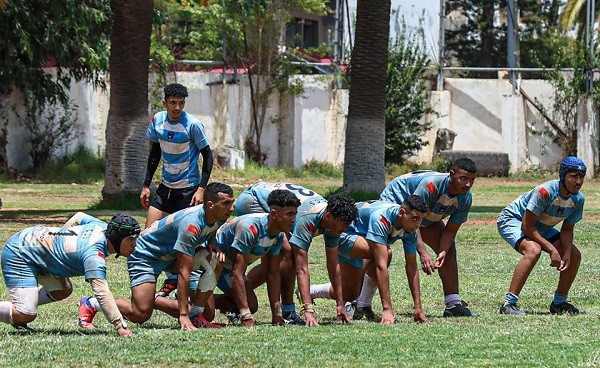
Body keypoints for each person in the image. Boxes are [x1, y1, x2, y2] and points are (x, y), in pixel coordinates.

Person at [78, 182, 234, 331]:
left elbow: (211, 228)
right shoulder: (191, 225)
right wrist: (183, 316)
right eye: (226, 203)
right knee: (140, 314)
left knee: (215, 260)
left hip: (171, 254)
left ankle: (197, 316)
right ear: (210, 205)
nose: (232, 208)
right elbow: (183, 272)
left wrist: (213, 243)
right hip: (146, 256)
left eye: (232, 202)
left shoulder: (219, 215)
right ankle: (92, 303)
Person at [235, 181, 358, 326]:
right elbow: (302, 268)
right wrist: (308, 309)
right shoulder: (308, 219)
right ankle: (285, 311)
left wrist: (340, 304)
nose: (346, 228)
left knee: (277, 261)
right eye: (344, 223)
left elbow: (333, 264)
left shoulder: (332, 220)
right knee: (288, 253)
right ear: (329, 216)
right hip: (252, 199)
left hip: (267, 194)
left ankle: (238, 295)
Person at [0, 211, 140, 336]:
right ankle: (20, 311)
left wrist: (58, 241)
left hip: (35, 247)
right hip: (19, 253)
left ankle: (21, 306)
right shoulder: (93, 255)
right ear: (117, 238)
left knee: (63, 290)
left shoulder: (101, 226)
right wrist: (120, 325)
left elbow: (79, 216)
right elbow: (101, 292)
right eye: (130, 239)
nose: (135, 244)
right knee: (26, 314)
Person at [376, 157, 478, 317]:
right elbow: (414, 216)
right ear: (452, 174)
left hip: (423, 214)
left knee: (449, 249)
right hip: (398, 202)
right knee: (380, 251)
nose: (468, 184)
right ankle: (359, 303)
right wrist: (423, 254)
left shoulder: (466, 198)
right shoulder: (431, 185)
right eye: (463, 178)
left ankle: (453, 304)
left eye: (472, 180)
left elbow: (450, 231)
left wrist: (442, 251)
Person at [309, 196, 429, 324]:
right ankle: (363, 305)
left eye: (421, 220)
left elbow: (412, 267)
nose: (418, 225)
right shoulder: (382, 218)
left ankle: (312, 291)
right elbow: (381, 265)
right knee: (384, 254)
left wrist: (418, 307)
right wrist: (387, 309)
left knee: (350, 293)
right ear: (401, 213)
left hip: (363, 236)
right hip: (343, 233)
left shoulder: (412, 230)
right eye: (415, 219)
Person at [497, 156, 586, 316]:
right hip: (514, 220)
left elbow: (567, 229)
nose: (578, 181)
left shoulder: (578, 199)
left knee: (574, 255)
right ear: (562, 176)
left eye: (581, 177)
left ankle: (559, 303)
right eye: (573, 176)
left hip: (538, 226)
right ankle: (508, 304)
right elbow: (526, 226)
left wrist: (566, 253)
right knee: (534, 250)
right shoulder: (545, 192)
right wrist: (552, 249)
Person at [213, 189, 300, 327]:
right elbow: (237, 273)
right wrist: (246, 316)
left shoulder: (278, 235)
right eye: (289, 214)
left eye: (295, 214)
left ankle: (207, 300)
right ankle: (196, 298)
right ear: (274, 214)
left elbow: (272, 273)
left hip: (229, 267)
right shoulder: (250, 229)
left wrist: (276, 315)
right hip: (214, 262)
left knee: (252, 306)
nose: (293, 219)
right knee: (207, 313)